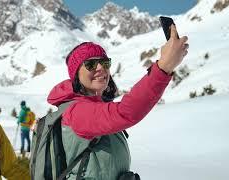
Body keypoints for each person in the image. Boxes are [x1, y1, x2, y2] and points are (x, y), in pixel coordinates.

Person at [46, 25, 188, 179]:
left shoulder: (92, 107)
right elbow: (125, 112)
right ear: (76, 75)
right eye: (91, 64)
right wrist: (164, 67)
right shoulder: (77, 112)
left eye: (105, 63)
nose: (100, 68)